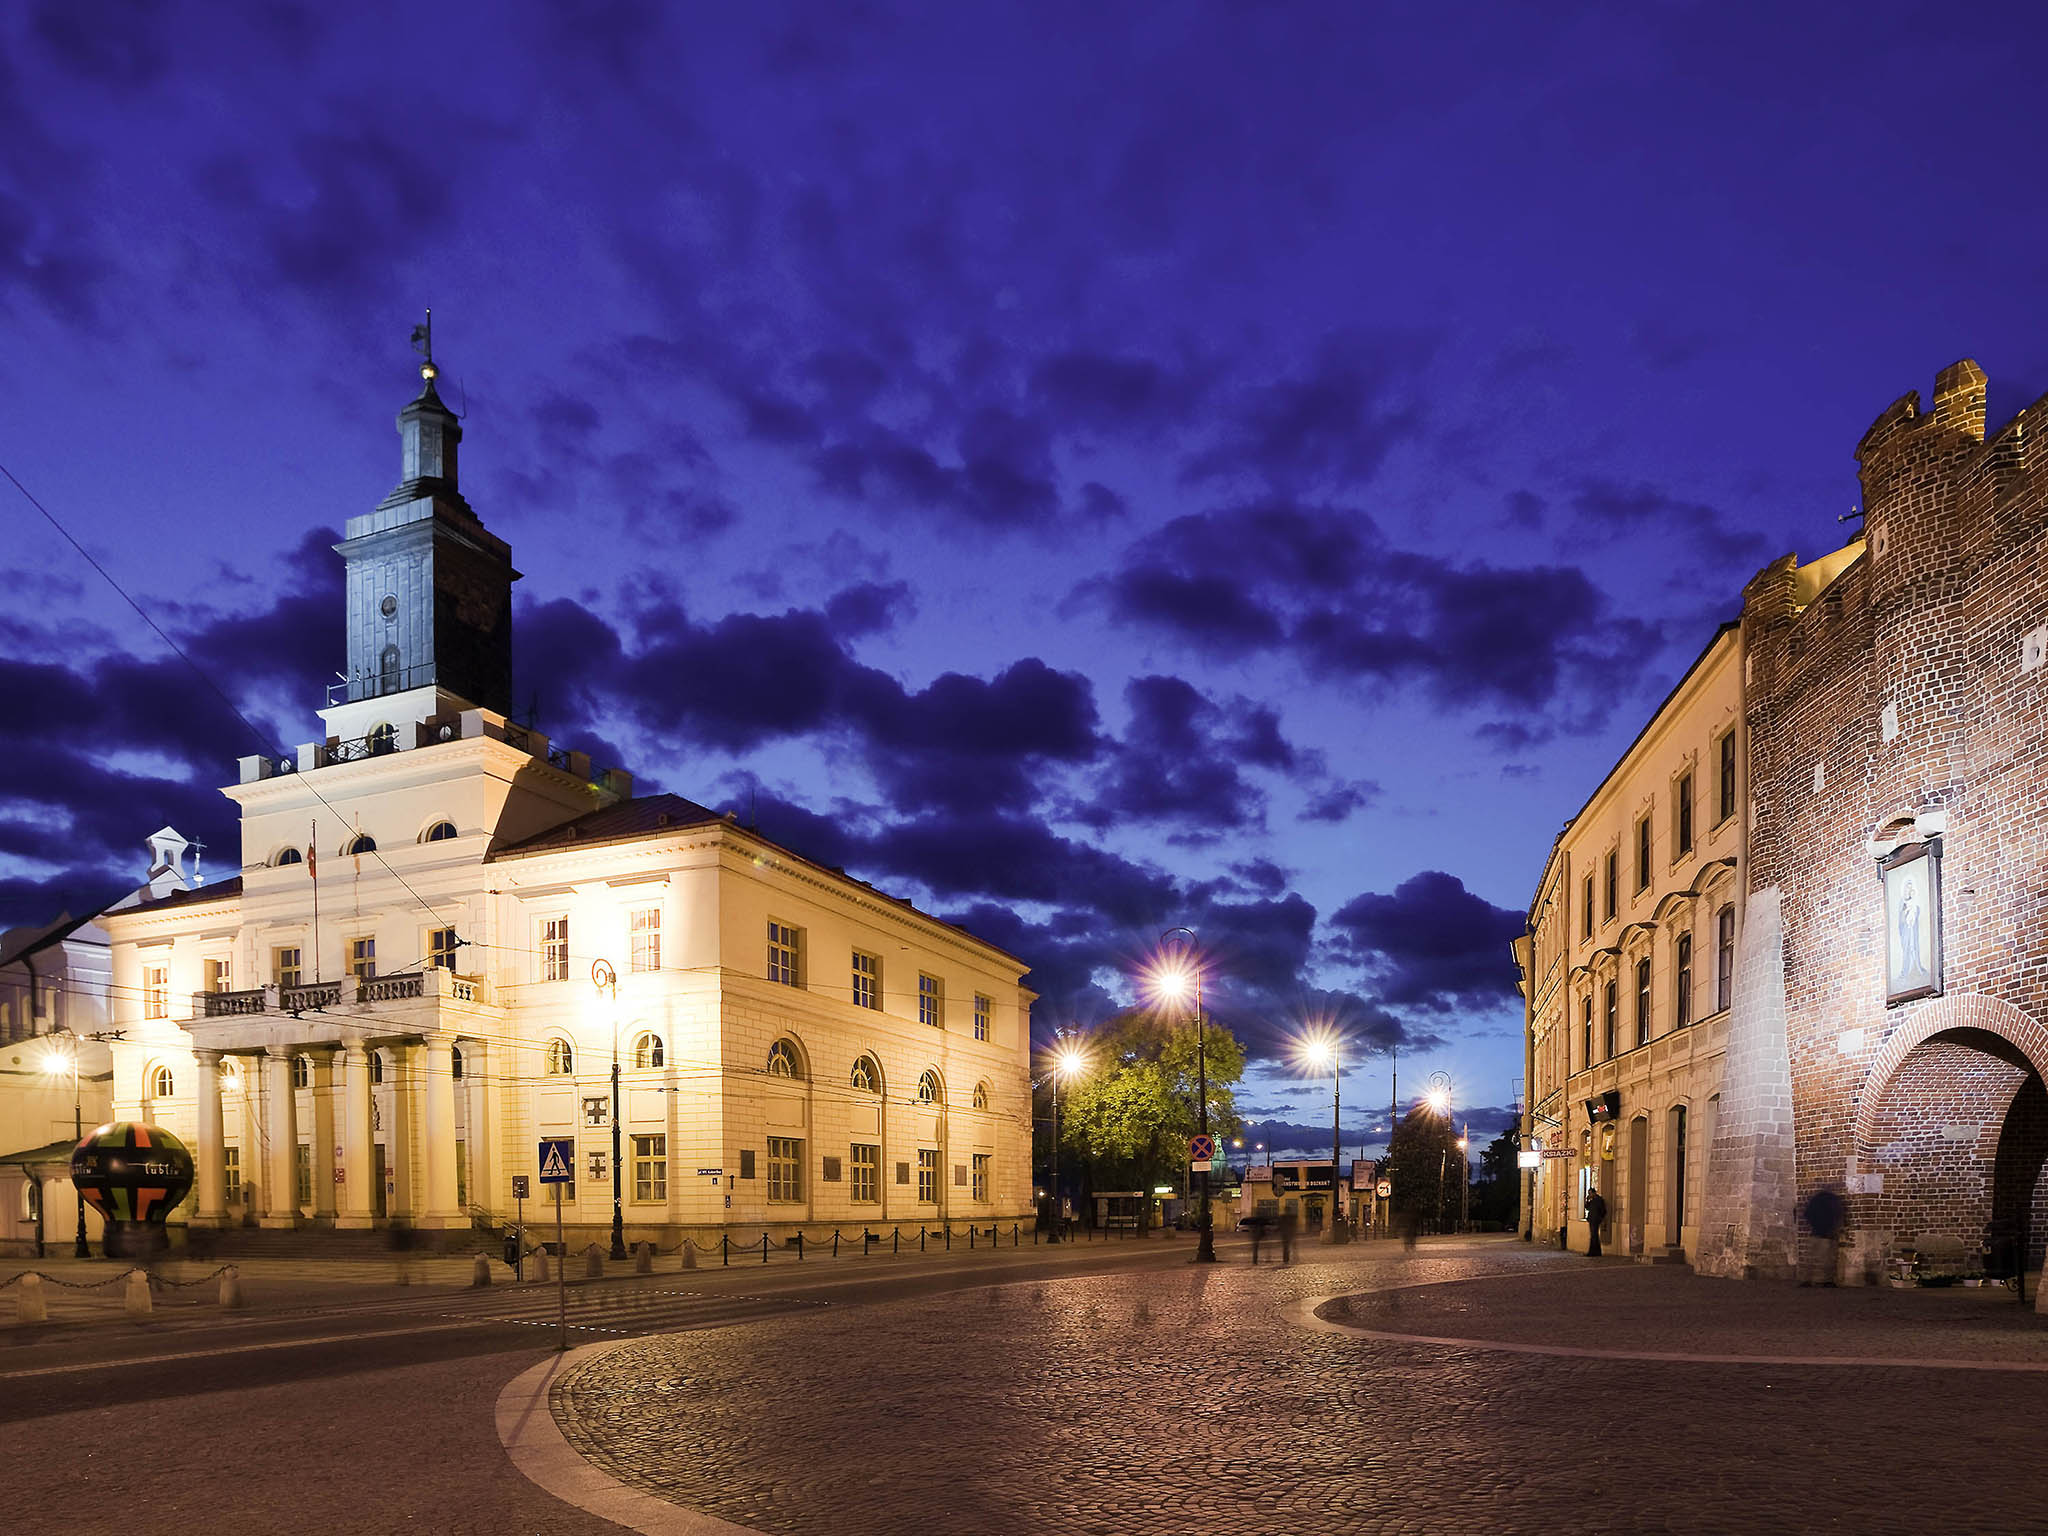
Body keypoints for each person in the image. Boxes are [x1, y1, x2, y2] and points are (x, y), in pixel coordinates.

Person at [1803, 1185, 1847, 1287]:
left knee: (1811, 1259)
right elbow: (1838, 1215)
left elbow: (1807, 1213)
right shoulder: (1832, 1200)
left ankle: (1807, 1279)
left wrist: (1813, 1224)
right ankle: (1827, 1280)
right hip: (1827, 1234)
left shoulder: (1816, 1200)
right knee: (1828, 1259)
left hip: (1815, 1233)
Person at [1583, 1188, 1608, 1257]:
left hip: (1596, 1220)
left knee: (1594, 1236)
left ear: (1594, 1193)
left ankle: (1593, 1252)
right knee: (1594, 1236)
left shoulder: (1599, 1200)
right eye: (1589, 1193)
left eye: (1590, 1193)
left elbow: (1603, 1210)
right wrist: (1587, 1200)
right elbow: (1587, 1207)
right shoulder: (1592, 1200)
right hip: (1592, 1219)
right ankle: (1596, 1252)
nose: (1589, 1195)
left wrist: (1600, 1218)